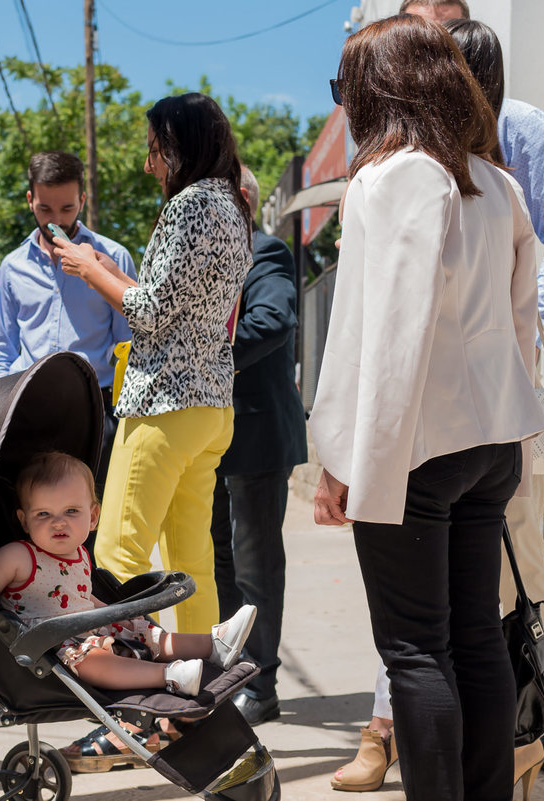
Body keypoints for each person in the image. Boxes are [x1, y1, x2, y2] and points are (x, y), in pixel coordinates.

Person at [332, 3, 544, 788]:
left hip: (418, 446)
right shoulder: (494, 181)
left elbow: (385, 342)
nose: (345, 103)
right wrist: (516, 435)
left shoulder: (390, 179)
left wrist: (354, 467)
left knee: (415, 648)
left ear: (384, 88)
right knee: (477, 634)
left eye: (347, 85)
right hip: (490, 445)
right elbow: (524, 327)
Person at [54, 91, 251, 767]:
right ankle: (205, 703)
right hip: (208, 404)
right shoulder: (231, 205)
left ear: (179, 146)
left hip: (165, 401)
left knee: (114, 557)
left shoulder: (194, 203)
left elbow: (148, 311)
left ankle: (123, 707)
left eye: (154, 148)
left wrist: (90, 269)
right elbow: (182, 304)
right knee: (190, 558)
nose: (148, 165)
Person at [0, 452, 256, 772]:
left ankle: (214, 644)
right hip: (49, 645)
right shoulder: (18, 555)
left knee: (148, 632)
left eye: (71, 511)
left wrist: (117, 616)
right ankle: (170, 676)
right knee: (90, 659)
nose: (58, 522)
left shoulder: (80, 554)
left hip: (88, 624)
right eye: (44, 514)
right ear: (23, 520)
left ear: (92, 517)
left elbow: (82, 597)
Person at [210, 166, 308, 726]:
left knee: (255, 567)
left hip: (258, 435)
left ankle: (261, 684)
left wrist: (202, 355)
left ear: (243, 200)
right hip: (211, 437)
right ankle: (233, 671)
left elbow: (273, 320)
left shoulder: (266, 253)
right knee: (217, 563)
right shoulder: (209, 257)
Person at [0, 151, 135, 502]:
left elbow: (129, 346)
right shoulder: (11, 268)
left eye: (67, 209)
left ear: (82, 200)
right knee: (25, 513)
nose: (56, 220)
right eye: (45, 210)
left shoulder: (113, 259)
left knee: (90, 519)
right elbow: (1, 350)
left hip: (94, 412)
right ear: (30, 200)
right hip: (25, 409)